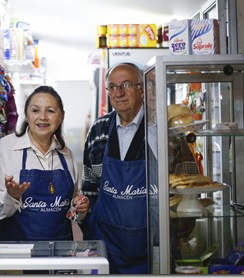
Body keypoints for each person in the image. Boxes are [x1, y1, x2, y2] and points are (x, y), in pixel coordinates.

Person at [0, 85, 89, 241]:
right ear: (26, 114)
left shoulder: (67, 155)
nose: (43, 117)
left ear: (61, 116)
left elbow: (72, 207)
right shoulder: (6, 148)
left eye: (50, 111)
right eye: (35, 110)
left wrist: (80, 208)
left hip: (59, 255)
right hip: (18, 256)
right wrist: (11, 197)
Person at [80, 62, 151, 274]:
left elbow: (183, 186)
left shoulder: (161, 129)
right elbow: (89, 186)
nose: (118, 92)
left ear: (142, 89)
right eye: (112, 86)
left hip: (152, 246)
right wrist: (89, 226)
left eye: (127, 85)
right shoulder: (98, 130)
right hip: (106, 246)